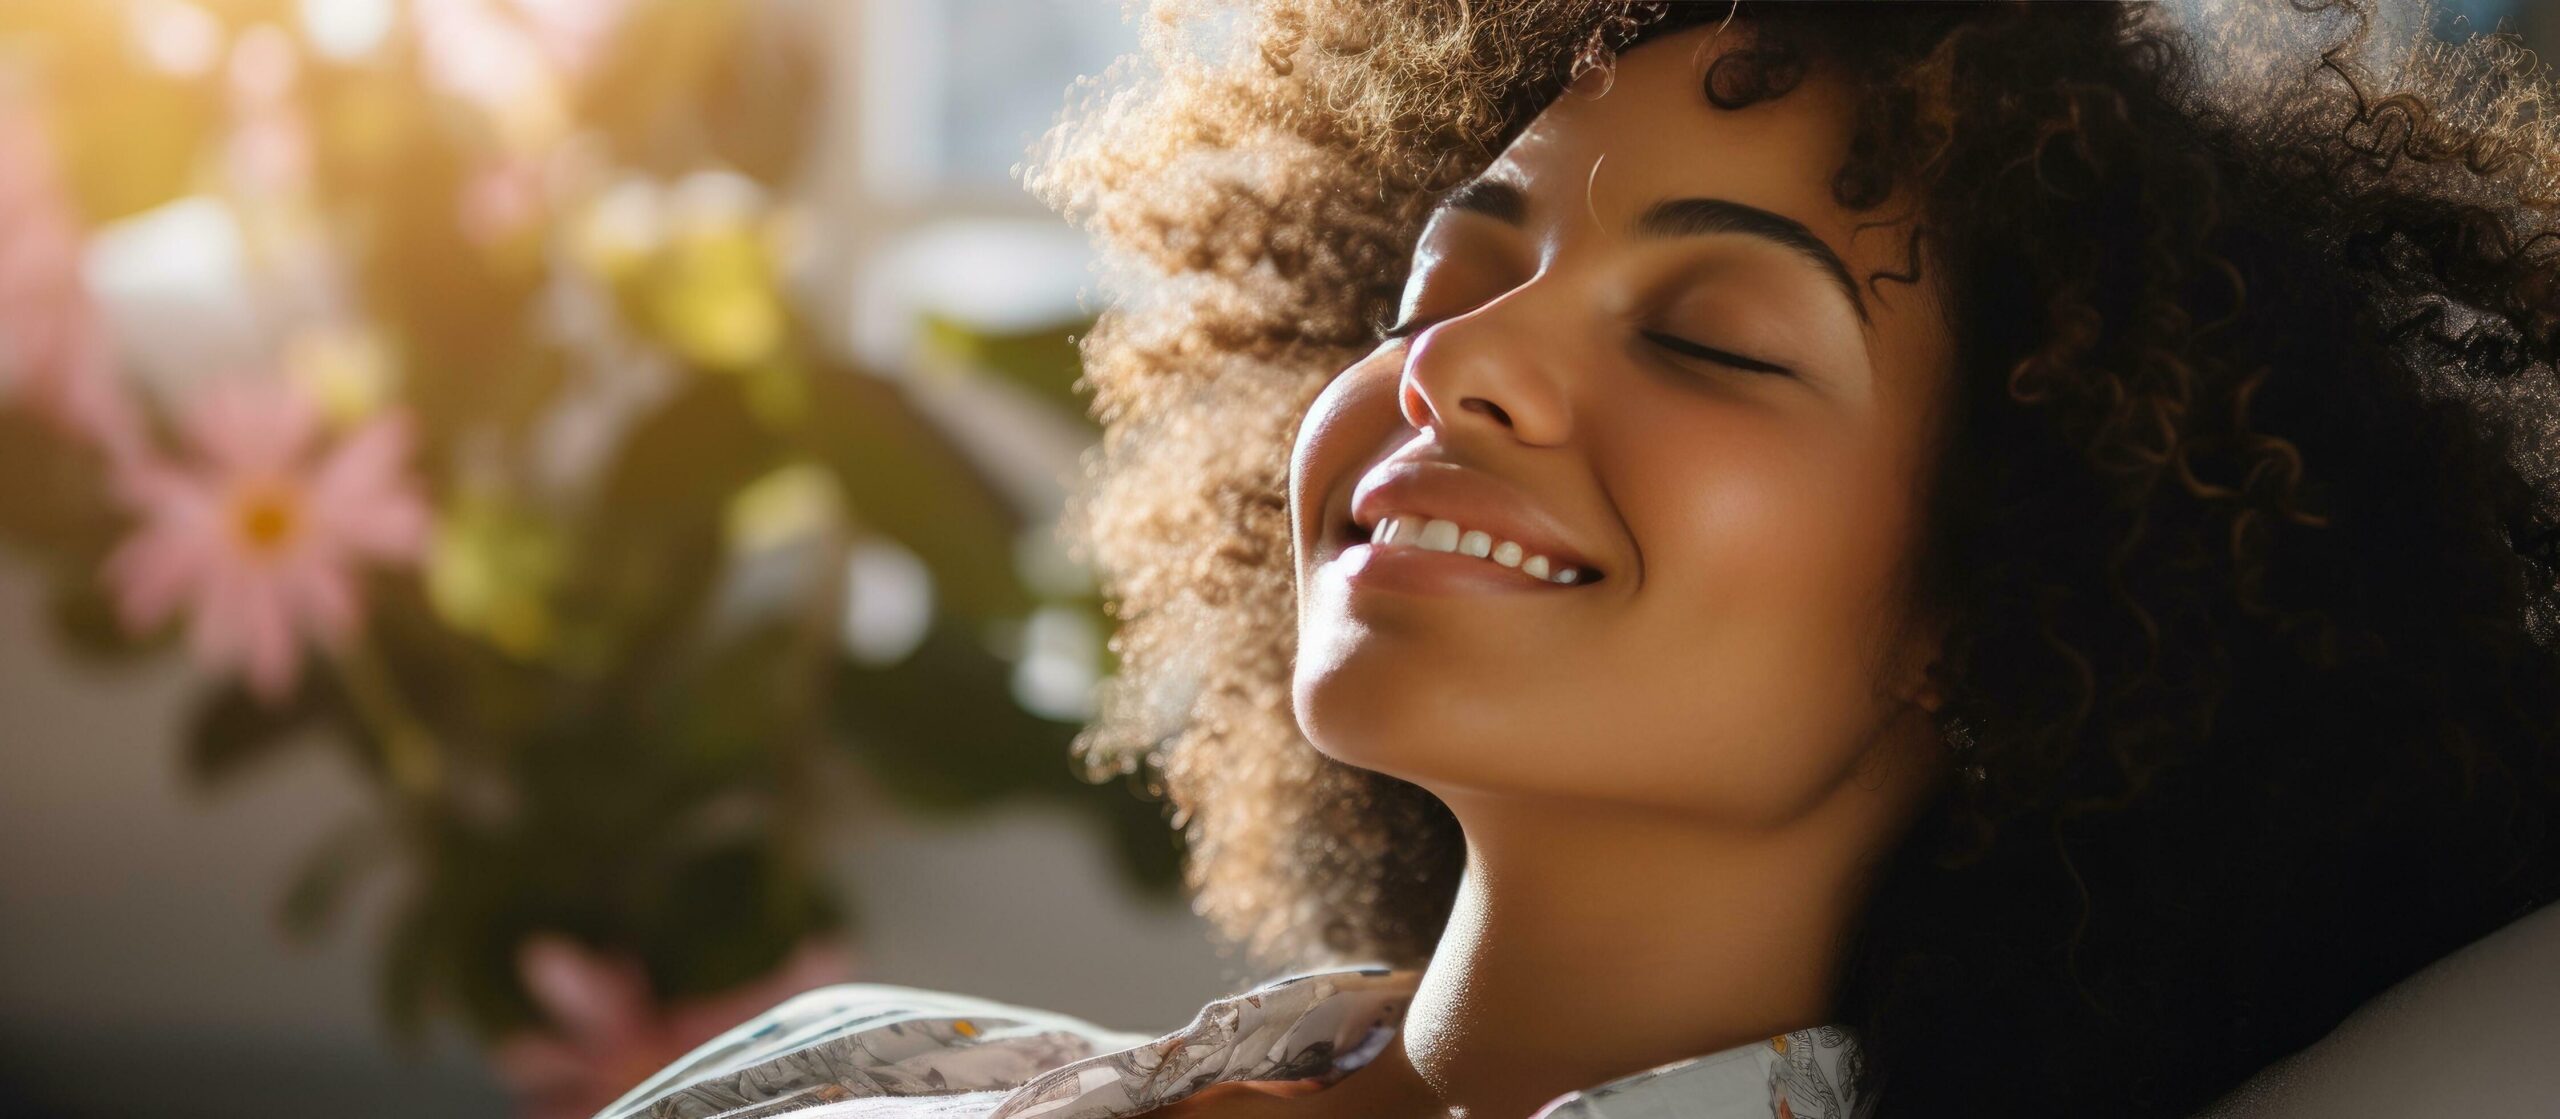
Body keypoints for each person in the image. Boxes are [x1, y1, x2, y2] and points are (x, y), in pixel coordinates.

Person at [599, 2, 2560, 1116]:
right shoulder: (841, 1071)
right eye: (1447, 274)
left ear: (2015, 589)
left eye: (1707, 335)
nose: (1451, 361)